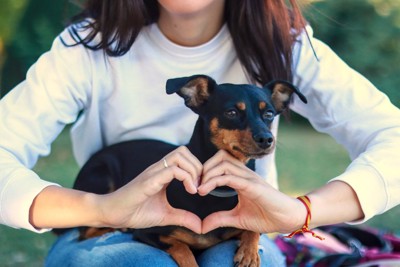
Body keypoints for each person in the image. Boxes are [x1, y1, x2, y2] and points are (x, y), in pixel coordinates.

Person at [0, 0, 399, 266]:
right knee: (144, 262)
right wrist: (101, 209)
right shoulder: (87, 45)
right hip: (115, 229)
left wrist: (302, 212)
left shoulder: (286, 44)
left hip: (242, 228)